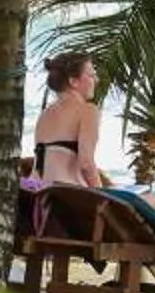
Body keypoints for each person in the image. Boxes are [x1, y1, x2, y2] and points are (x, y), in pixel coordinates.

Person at [32, 53, 125, 190]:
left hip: (37, 190)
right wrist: (103, 196)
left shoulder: (44, 115)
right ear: (73, 81)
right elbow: (86, 163)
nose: (97, 80)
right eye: (91, 75)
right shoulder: (87, 110)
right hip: (67, 192)